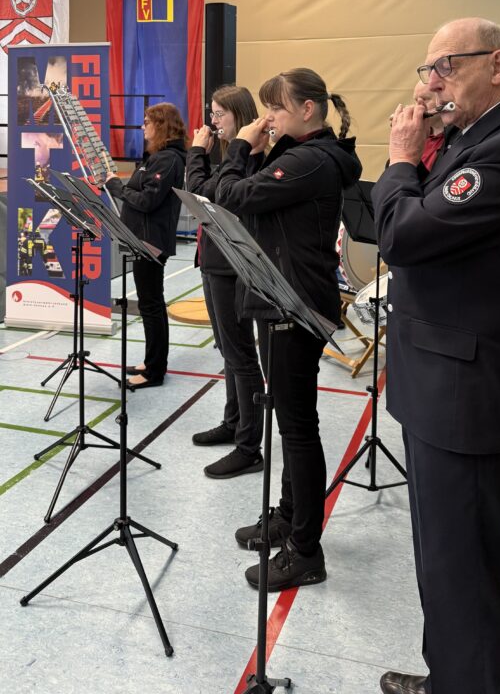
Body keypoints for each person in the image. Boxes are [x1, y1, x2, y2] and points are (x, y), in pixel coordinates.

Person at [372, 19, 500, 694]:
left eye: (445, 67)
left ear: (497, 65)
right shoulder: (476, 138)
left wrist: (401, 157)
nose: (431, 84)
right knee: (443, 562)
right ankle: (448, 677)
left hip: (470, 394)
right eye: (427, 70)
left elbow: (402, 234)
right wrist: (427, 147)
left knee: (464, 574)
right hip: (443, 384)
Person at [216, 67, 362, 591]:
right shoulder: (302, 153)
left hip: (293, 305)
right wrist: (258, 149)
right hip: (282, 297)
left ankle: (304, 549)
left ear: (307, 109)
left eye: (276, 107)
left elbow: (232, 196)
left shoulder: (310, 159)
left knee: (298, 428)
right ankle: (288, 514)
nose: (268, 118)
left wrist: (239, 147)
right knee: (289, 420)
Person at [186, 85, 265, 479]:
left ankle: (249, 446)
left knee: (241, 355)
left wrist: (196, 153)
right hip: (214, 263)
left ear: (239, 115)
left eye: (220, 114)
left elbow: (202, 194)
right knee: (228, 351)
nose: (213, 121)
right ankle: (234, 422)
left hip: (233, 268)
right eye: (212, 113)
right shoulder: (231, 159)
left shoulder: (249, 159)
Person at [106, 103, 187, 390]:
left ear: (161, 126)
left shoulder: (168, 160)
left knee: (151, 305)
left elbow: (148, 201)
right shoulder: (157, 157)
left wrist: (117, 188)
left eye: (147, 122)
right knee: (151, 303)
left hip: (150, 241)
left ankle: (154, 371)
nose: (143, 127)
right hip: (142, 238)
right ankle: (153, 361)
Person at [412, 81, 445, 175]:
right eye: (416, 101)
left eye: (425, 99)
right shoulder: (418, 136)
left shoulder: (456, 139)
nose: (418, 107)